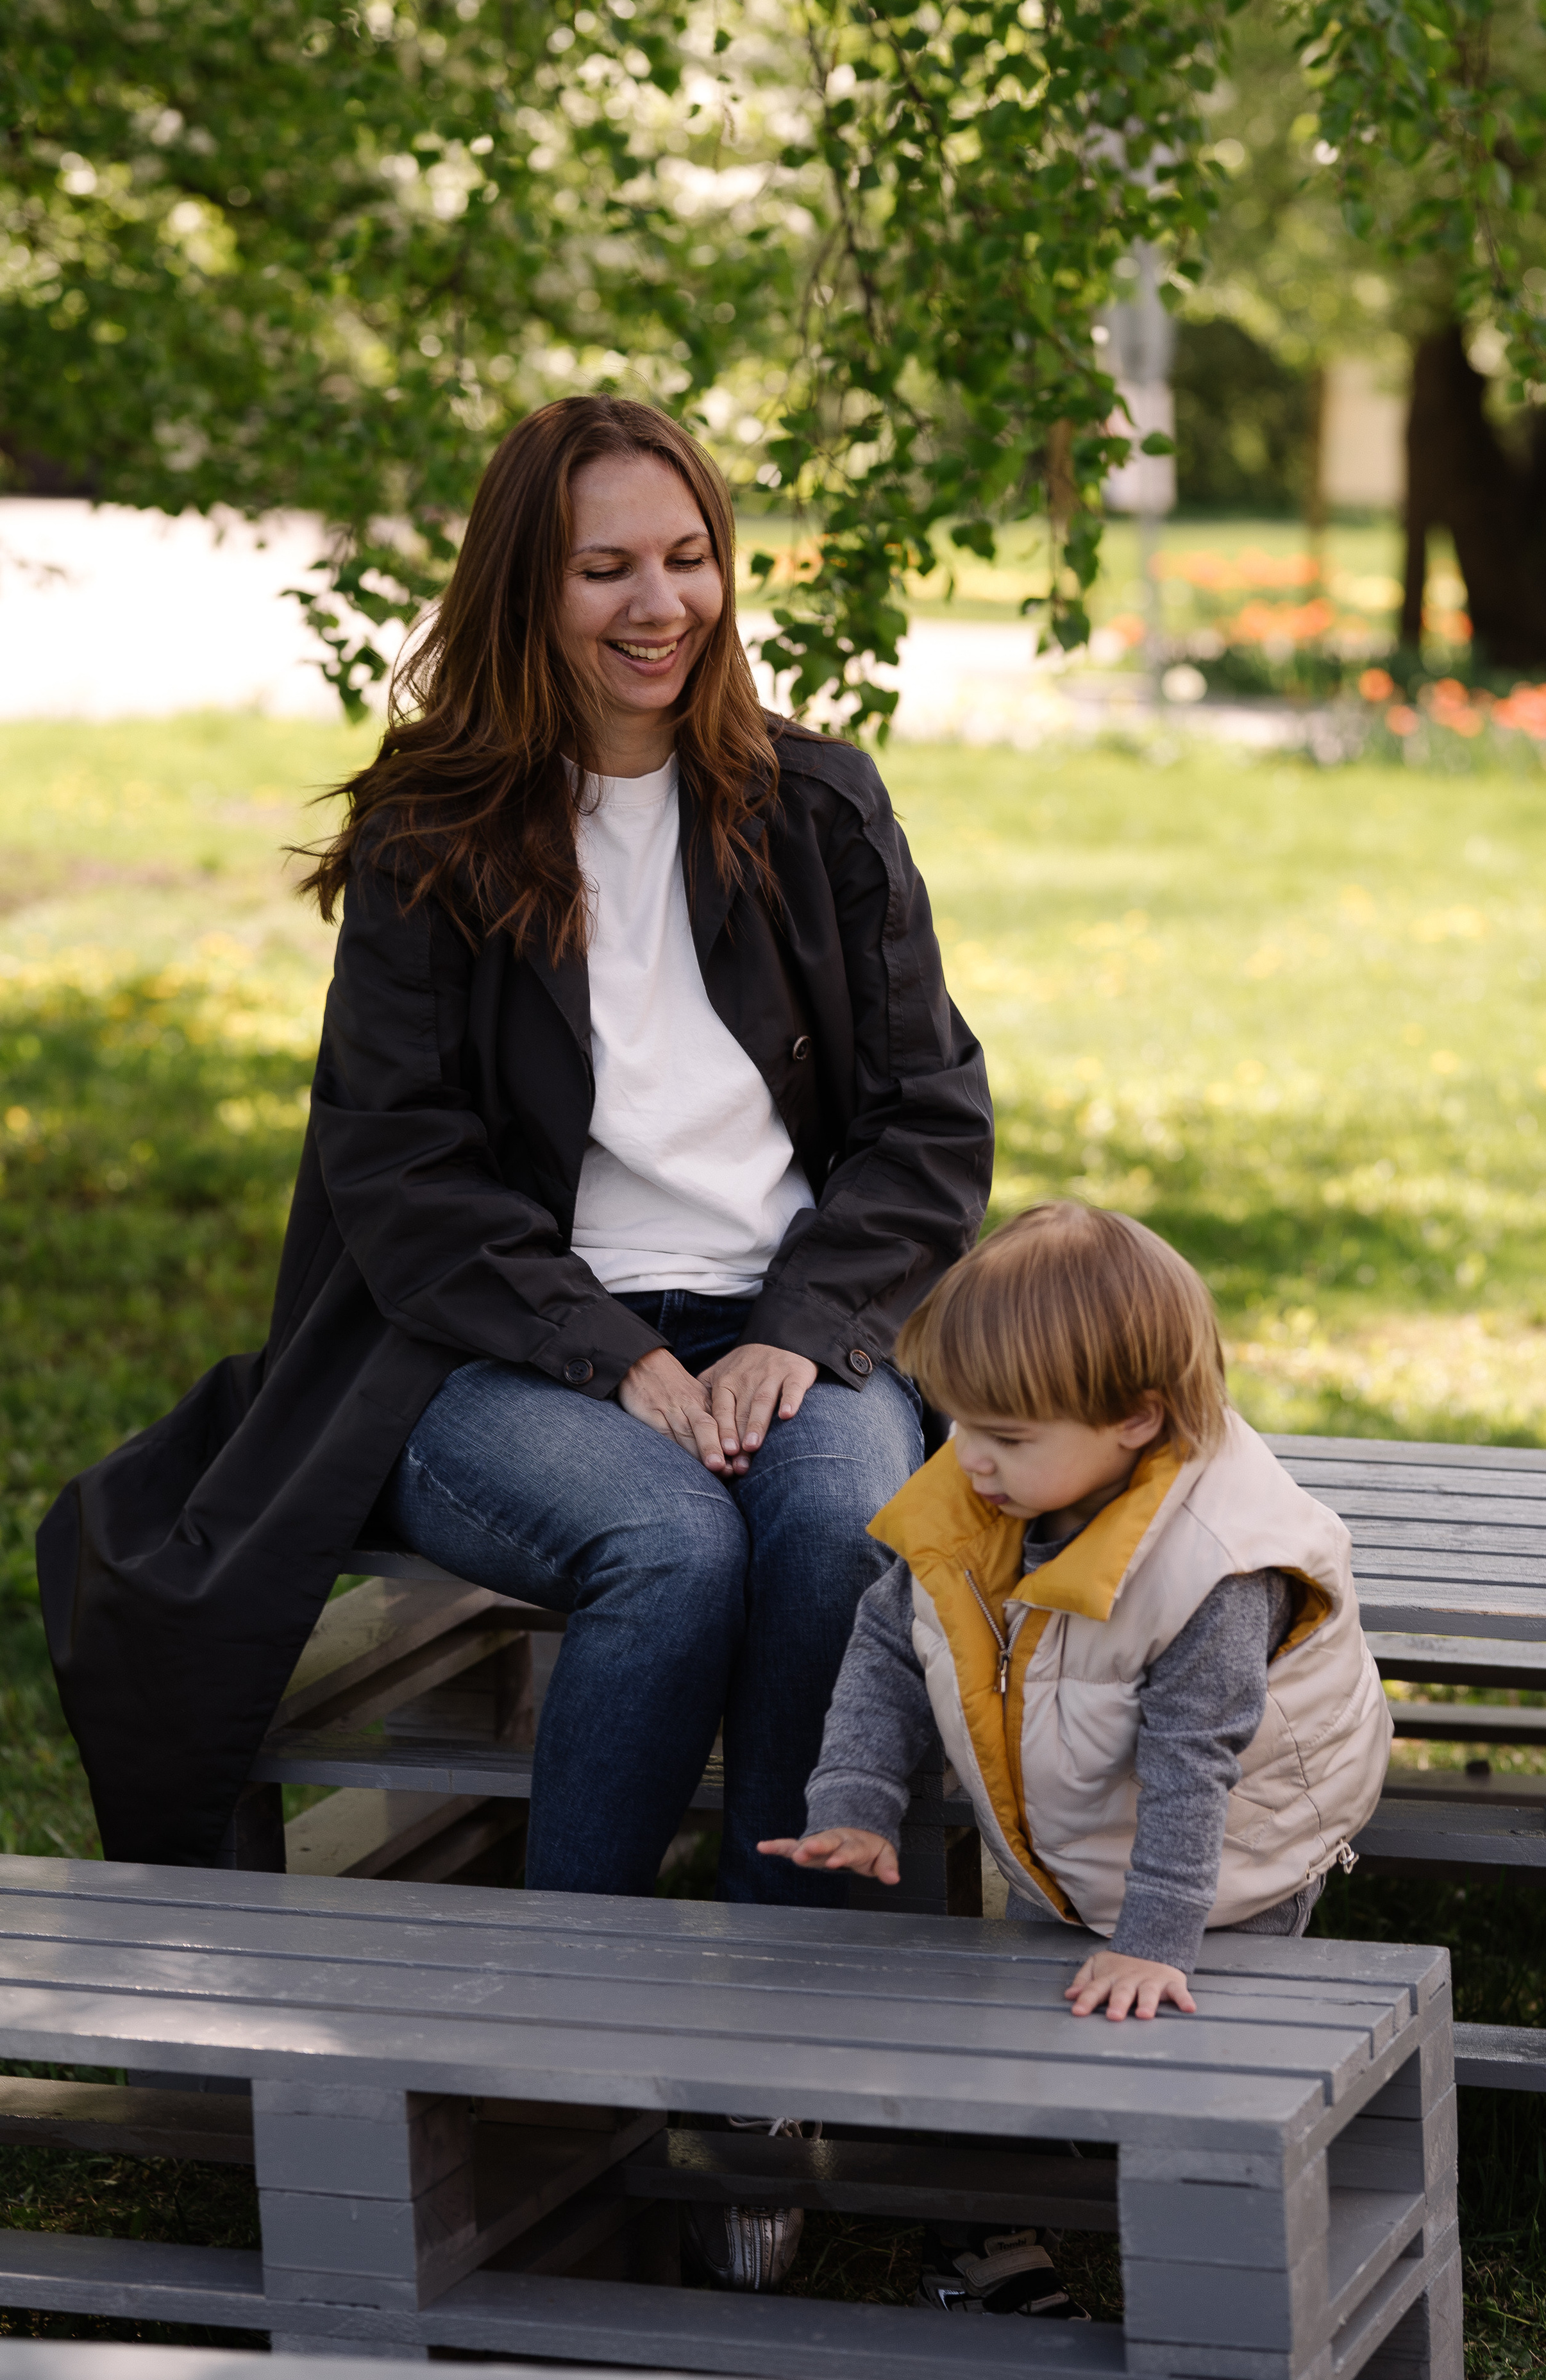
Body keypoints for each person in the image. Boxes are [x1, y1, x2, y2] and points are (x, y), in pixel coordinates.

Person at [35, 398, 992, 1933]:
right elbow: (397, 1163)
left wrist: (794, 1337)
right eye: (604, 567)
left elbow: (929, 1119)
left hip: (786, 1324)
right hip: (498, 1346)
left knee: (832, 1537)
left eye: (688, 560)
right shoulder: (437, 830)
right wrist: (613, 1357)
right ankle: (561, 2046)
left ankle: (778, 2059)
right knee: (668, 1548)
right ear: (525, 592)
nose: (659, 605)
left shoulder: (816, 810)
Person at [760, 1198, 1391, 2321]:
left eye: (1007, 1438)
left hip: (1234, 1856)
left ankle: (1211, 2259)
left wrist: (1153, 1943)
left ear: (1137, 1423)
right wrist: (856, 1793)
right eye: (958, 1426)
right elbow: (891, 1643)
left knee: (1173, 2047)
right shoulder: (984, 1492)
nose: (973, 1461)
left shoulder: (1215, 1569)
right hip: (1063, 1827)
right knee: (1033, 2042)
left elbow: (1197, 1767)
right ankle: (991, 2233)